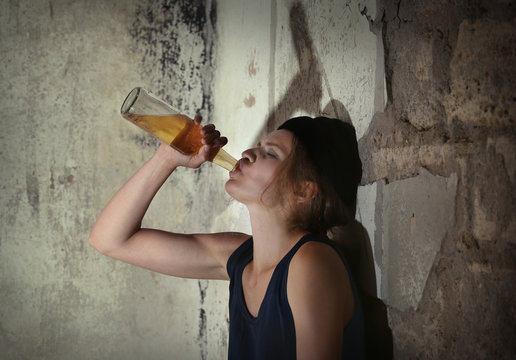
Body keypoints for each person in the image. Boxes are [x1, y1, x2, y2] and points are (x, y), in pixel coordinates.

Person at [89, 115, 365, 359]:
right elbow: (110, 240)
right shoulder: (239, 257)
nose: (247, 153)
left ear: (304, 191)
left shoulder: (311, 261)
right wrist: (167, 158)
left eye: (270, 154)